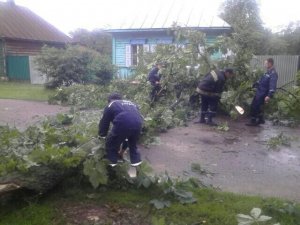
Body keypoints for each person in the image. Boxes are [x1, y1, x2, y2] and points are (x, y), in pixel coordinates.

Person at [98, 93, 143, 167]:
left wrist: (102, 135)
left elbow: (104, 122)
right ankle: (136, 166)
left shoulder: (111, 104)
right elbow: (135, 115)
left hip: (123, 121)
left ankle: (112, 166)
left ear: (110, 100)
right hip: (138, 122)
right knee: (133, 145)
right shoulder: (131, 103)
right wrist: (122, 150)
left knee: (110, 144)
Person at [246, 58, 278, 126]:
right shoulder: (267, 72)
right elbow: (261, 81)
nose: (264, 65)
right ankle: (260, 119)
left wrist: (269, 95)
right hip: (259, 92)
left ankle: (254, 121)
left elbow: (272, 86)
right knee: (256, 106)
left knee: (256, 106)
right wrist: (253, 85)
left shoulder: (273, 74)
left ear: (270, 63)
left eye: (265, 63)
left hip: (263, 94)